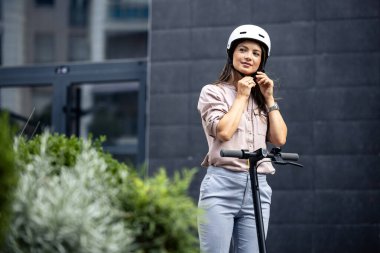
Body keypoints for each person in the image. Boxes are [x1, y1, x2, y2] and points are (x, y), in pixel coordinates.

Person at [197, 24, 288, 253]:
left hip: (258, 187)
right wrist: (240, 96)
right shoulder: (213, 92)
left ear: (262, 61)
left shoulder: (261, 99)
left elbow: (279, 139)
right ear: (231, 54)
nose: (249, 57)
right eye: (243, 50)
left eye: (256, 53)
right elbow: (224, 132)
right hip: (221, 186)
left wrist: (269, 98)